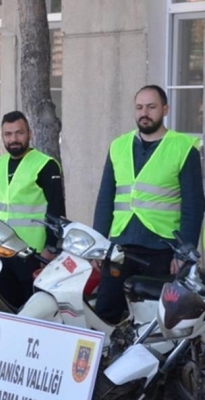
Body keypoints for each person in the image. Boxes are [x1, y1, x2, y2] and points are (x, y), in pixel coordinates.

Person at [94, 85, 204, 324]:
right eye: (139, 107)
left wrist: (183, 253)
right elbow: (105, 199)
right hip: (120, 246)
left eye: (151, 107)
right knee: (105, 312)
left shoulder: (183, 148)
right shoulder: (118, 146)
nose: (145, 113)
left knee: (154, 322)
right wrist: (98, 243)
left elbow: (194, 207)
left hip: (162, 250)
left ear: (165, 109)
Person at [0, 111, 66, 308]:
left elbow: (56, 209)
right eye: (8, 134)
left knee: (31, 306)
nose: (13, 139)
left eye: (19, 133)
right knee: (5, 305)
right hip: (1, 250)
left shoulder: (45, 165)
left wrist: (50, 247)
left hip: (32, 252)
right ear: (2, 136)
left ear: (30, 133)